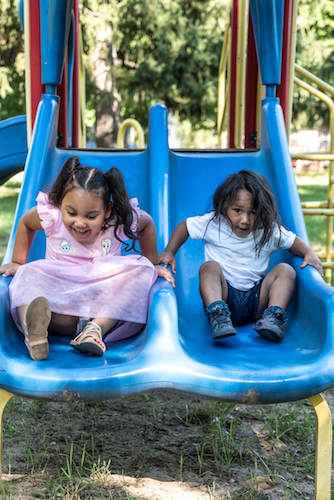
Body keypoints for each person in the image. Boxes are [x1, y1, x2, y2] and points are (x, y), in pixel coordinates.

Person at [0, 156, 174, 360]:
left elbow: (147, 223)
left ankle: (94, 331)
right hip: (59, 309)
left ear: (107, 209)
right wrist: (18, 261)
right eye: (71, 213)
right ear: (60, 204)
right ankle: (34, 331)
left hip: (101, 308)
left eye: (91, 216)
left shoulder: (116, 220)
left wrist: (151, 262)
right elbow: (26, 222)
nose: (80, 223)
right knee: (27, 273)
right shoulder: (52, 216)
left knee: (142, 268)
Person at [158, 170, 323, 343]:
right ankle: (218, 317)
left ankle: (273, 318)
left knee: (286, 270)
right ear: (224, 207)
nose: (245, 219)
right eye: (237, 210)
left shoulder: (269, 230)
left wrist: (308, 253)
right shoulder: (214, 223)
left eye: (253, 212)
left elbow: (294, 243)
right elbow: (185, 226)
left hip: (257, 301)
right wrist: (170, 252)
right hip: (223, 298)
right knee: (209, 268)